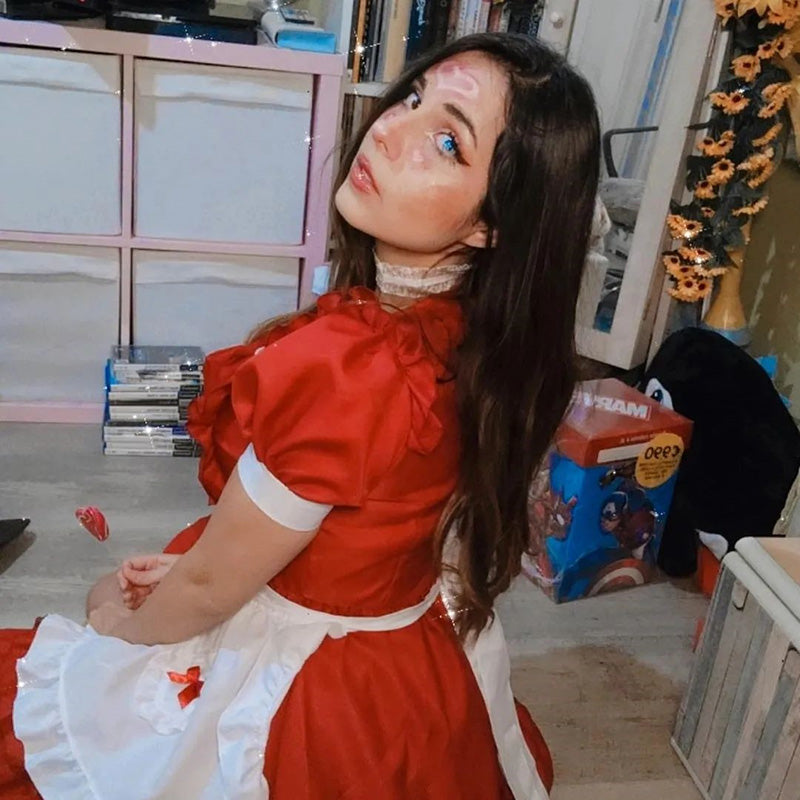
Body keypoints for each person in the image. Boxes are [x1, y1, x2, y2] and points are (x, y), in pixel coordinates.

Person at [0, 32, 599, 799]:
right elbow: (363, 529)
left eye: (447, 142)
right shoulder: (475, 337)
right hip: (398, 644)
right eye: (413, 100)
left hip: (317, 677)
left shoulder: (352, 365)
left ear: (492, 225)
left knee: (96, 622)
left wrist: (119, 637)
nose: (389, 129)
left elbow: (212, 585)